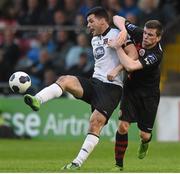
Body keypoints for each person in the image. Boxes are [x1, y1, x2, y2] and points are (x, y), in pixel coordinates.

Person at [23, 7, 137, 170]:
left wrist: (117, 70)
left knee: (95, 123)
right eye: (87, 22)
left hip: (112, 88)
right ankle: (37, 99)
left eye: (91, 21)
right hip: (94, 82)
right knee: (65, 79)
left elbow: (133, 55)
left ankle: (77, 162)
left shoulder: (117, 34)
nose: (88, 25)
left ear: (103, 20)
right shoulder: (94, 39)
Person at [107, 15, 163, 171]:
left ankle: (145, 143)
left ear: (158, 38)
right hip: (131, 89)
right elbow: (116, 18)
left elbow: (131, 66)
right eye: (145, 33)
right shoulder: (139, 33)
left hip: (149, 95)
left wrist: (118, 45)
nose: (145, 37)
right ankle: (118, 165)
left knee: (144, 135)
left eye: (150, 35)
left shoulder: (155, 55)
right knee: (123, 127)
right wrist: (124, 30)